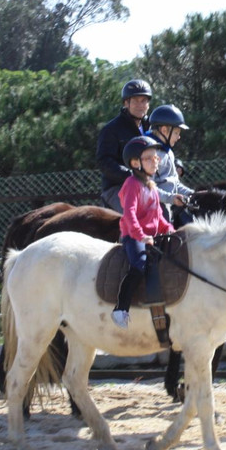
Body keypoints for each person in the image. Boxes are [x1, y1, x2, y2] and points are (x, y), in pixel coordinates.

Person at [112, 135, 175, 329]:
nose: (155, 161)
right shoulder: (132, 184)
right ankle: (121, 308)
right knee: (139, 265)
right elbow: (129, 214)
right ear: (135, 163)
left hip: (152, 237)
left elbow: (158, 216)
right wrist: (141, 236)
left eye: (156, 157)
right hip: (134, 236)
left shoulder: (151, 186)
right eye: (148, 158)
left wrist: (171, 230)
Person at [96, 79, 152, 213]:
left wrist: (178, 165)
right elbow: (104, 161)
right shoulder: (111, 129)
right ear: (126, 103)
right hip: (118, 187)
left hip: (148, 185)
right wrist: (132, 175)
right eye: (136, 101)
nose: (140, 105)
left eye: (144, 101)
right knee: (138, 214)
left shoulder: (152, 126)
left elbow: (162, 151)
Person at [145, 103, 195, 223]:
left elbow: (174, 184)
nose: (179, 137)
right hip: (154, 208)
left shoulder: (167, 152)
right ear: (164, 130)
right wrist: (171, 198)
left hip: (169, 203)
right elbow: (147, 188)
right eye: (177, 132)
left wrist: (193, 194)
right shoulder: (149, 153)